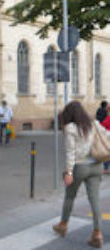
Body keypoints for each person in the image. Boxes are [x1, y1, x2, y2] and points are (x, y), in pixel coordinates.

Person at [52, 101, 103, 248]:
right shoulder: (93, 124)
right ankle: (97, 233)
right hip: (96, 165)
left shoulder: (70, 128)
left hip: (80, 167)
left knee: (70, 196)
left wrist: (68, 172)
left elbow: (70, 153)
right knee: (95, 200)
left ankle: (63, 224)